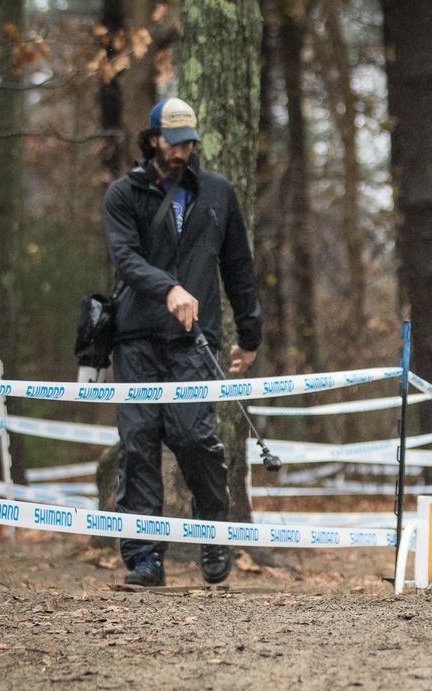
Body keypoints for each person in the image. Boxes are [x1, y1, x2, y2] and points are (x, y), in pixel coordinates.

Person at [102, 97, 263, 587]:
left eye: (188, 141)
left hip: (196, 341)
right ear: (152, 140)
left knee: (194, 436)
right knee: (138, 443)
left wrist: (250, 334)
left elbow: (238, 265)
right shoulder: (123, 194)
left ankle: (215, 537)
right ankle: (144, 556)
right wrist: (167, 288)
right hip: (135, 339)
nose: (181, 150)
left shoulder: (216, 191)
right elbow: (125, 259)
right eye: (172, 141)